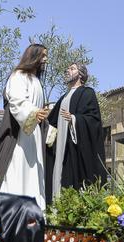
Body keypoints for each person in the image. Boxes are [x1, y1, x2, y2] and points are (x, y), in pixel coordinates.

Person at [0, 44, 49, 209]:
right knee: (17, 172)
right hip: (19, 135)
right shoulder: (19, 75)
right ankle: (13, 213)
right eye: (43, 56)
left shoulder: (36, 81)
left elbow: (39, 110)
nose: (46, 60)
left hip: (34, 135)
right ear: (33, 56)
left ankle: (32, 214)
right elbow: (16, 101)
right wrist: (33, 113)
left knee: (33, 176)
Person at [45, 63, 108, 203]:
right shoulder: (64, 97)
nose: (68, 70)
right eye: (67, 68)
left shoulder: (87, 93)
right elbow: (52, 122)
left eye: (72, 68)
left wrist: (75, 119)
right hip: (60, 146)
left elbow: (94, 120)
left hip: (74, 147)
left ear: (81, 74)